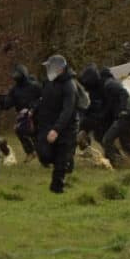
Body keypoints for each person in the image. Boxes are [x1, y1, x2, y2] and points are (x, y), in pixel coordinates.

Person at [34, 55, 79, 193]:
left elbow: (68, 110)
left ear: (60, 69)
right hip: (47, 125)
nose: (48, 69)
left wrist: (56, 129)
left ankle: (57, 188)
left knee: (61, 159)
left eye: (50, 67)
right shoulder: (48, 82)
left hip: (65, 128)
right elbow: (43, 102)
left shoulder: (69, 86)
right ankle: (66, 161)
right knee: (44, 154)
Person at [1, 64, 42, 161]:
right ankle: (30, 152)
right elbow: (7, 104)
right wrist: (0, 101)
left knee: (37, 137)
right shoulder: (14, 89)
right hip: (23, 117)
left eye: (18, 75)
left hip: (37, 115)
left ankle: (43, 155)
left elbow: (43, 99)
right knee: (19, 130)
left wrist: (33, 108)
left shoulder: (35, 86)